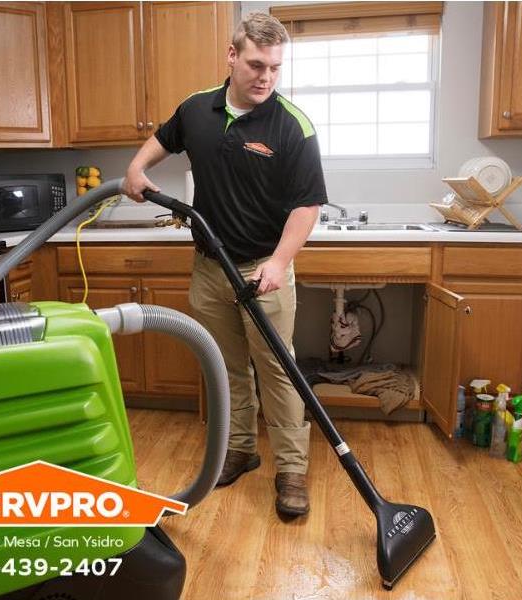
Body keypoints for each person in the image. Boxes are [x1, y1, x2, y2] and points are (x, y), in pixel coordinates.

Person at [123, 12, 327, 518]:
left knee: (277, 370)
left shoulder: (292, 125)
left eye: (276, 68)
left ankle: (291, 470)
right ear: (232, 57)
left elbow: (307, 207)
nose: (266, 77)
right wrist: (135, 167)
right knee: (227, 365)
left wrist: (280, 262)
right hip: (211, 267)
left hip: (264, 270)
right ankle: (241, 449)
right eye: (257, 64)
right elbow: (165, 137)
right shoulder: (197, 109)